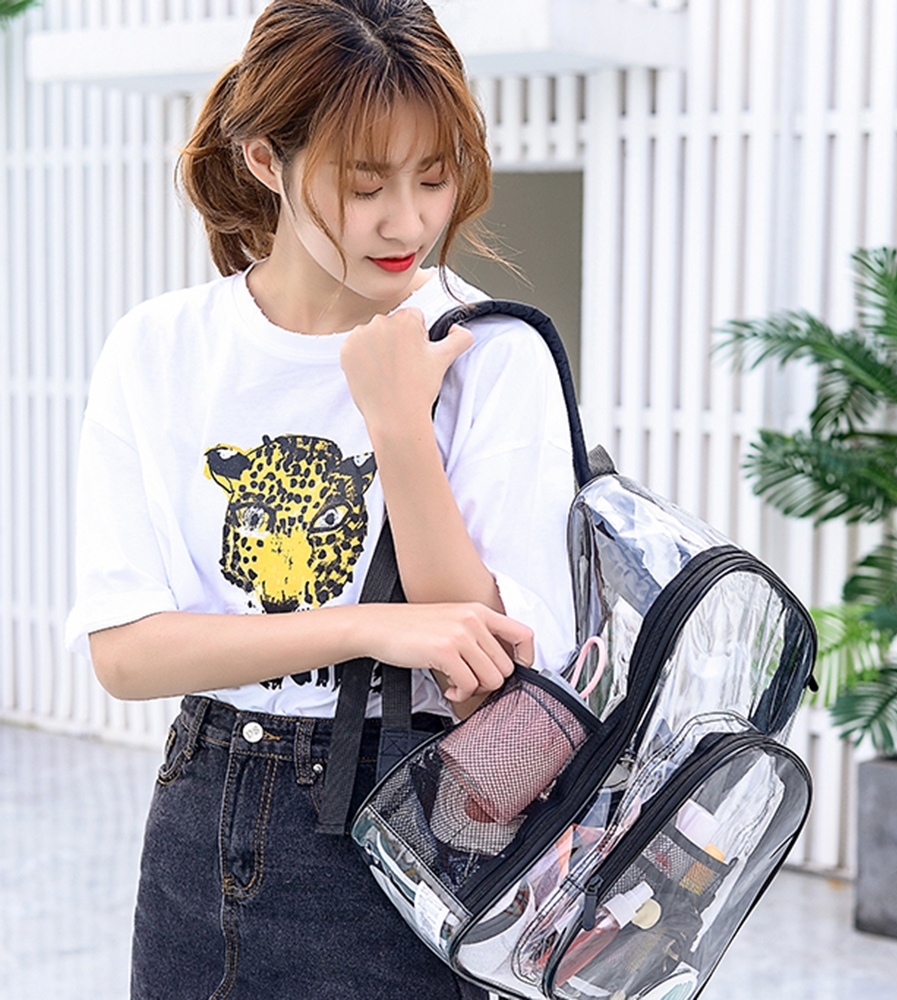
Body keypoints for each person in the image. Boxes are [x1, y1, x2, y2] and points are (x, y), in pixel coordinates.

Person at [63, 1, 576, 997]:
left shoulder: (495, 352)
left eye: (434, 177)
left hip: (405, 819)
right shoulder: (159, 348)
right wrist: (372, 626)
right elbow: (125, 653)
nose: (407, 221)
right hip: (197, 818)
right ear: (266, 159)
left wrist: (398, 424)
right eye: (364, 183)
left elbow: (492, 678)